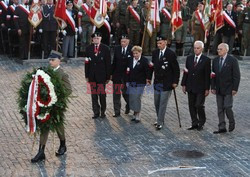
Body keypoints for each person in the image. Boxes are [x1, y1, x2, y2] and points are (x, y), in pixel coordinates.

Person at [31, 50, 72, 163]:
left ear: (59, 61)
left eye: (53, 60)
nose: (50, 62)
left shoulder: (62, 74)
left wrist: (57, 97)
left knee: (59, 126)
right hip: (46, 105)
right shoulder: (47, 72)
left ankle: (63, 144)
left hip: (57, 106)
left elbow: (68, 90)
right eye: (49, 60)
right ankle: (41, 151)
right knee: (45, 126)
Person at [181, 41, 211, 131]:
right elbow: (186, 72)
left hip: (201, 87)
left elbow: (207, 75)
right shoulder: (189, 58)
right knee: (191, 105)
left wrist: (207, 88)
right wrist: (183, 84)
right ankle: (194, 122)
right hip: (190, 85)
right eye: (194, 48)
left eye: (198, 48)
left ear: (202, 49)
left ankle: (201, 121)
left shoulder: (206, 60)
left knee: (199, 105)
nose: (196, 50)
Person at [211, 43, 241, 134]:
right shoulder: (215, 60)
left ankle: (231, 121)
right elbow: (213, 75)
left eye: (220, 49)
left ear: (226, 50)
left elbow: (236, 75)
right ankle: (222, 127)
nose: (218, 51)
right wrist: (213, 87)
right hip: (219, 88)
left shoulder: (232, 60)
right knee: (220, 108)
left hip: (228, 88)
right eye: (218, 49)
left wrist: (235, 88)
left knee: (227, 106)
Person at [152, 36, 180, 130]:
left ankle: (160, 122)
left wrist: (175, 81)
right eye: (158, 43)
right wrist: (148, 77)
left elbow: (176, 69)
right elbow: (152, 66)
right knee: (157, 102)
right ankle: (159, 118)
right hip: (157, 82)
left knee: (163, 103)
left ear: (165, 42)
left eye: (160, 43)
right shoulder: (155, 53)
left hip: (167, 82)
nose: (159, 45)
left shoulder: (170, 54)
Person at [85, 32, 112, 119]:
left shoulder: (105, 48)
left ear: (100, 39)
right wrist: (87, 75)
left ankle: (103, 111)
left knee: (102, 94)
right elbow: (86, 63)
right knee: (94, 95)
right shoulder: (89, 49)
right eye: (95, 38)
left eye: (98, 38)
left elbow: (108, 64)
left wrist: (108, 76)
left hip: (101, 76)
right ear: (92, 39)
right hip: (92, 76)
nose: (96, 39)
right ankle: (96, 111)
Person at [126, 46, 151, 123]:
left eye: (137, 53)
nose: (135, 55)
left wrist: (148, 79)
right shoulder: (130, 60)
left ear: (140, 52)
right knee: (131, 98)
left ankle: (138, 114)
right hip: (131, 82)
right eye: (134, 53)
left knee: (137, 98)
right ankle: (134, 112)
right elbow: (127, 71)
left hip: (140, 83)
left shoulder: (144, 60)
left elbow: (148, 71)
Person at [111, 34, 132, 117]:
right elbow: (114, 62)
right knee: (116, 94)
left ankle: (129, 105)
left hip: (126, 76)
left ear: (128, 41)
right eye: (121, 42)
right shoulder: (117, 49)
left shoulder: (132, 49)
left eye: (124, 41)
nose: (122, 43)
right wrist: (111, 74)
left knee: (125, 93)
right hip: (117, 74)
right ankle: (117, 111)